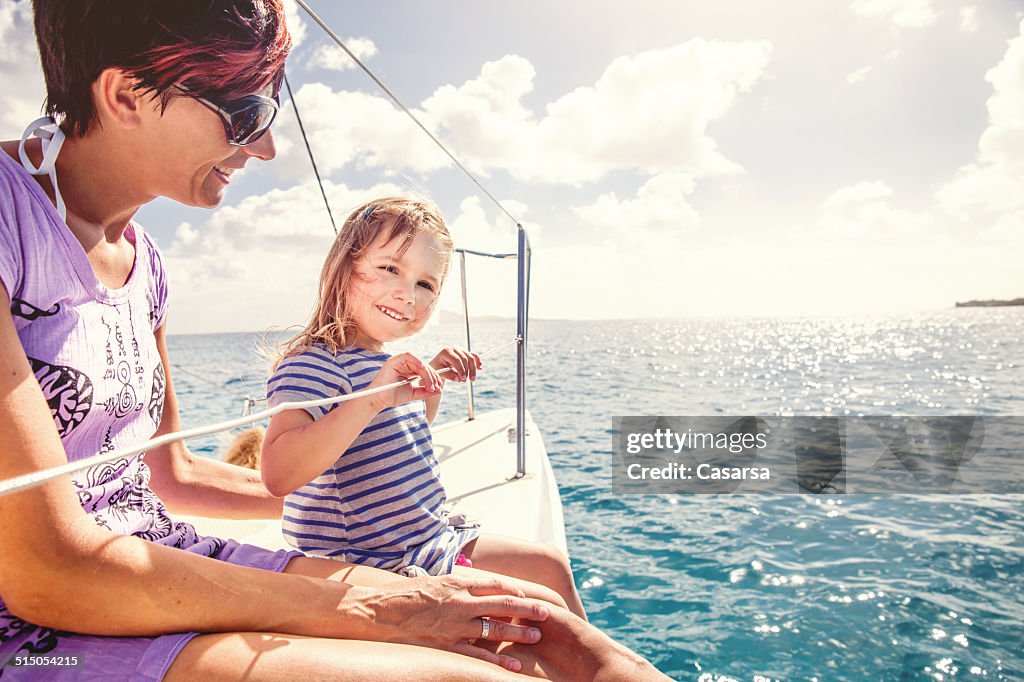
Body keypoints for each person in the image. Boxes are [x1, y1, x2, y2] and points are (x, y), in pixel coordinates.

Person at [0, 1, 670, 679]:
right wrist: (376, 608)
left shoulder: (146, 262)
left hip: (151, 550)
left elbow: (172, 475)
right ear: (123, 95)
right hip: (36, 613)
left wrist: (357, 486)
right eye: (244, 115)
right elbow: (45, 567)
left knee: (547, 631)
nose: (262, 147)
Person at [261, 197, 587, 619]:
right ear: (344, 266)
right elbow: (279, 473)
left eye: (426, 284)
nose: (406, 293)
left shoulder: (378, 363)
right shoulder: (314, 363)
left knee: (551, 568)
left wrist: (431, 381)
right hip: (376, 562)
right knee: (541, 614)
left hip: (429, 537)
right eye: (390, 269)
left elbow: (401, 434)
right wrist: (373, 398)